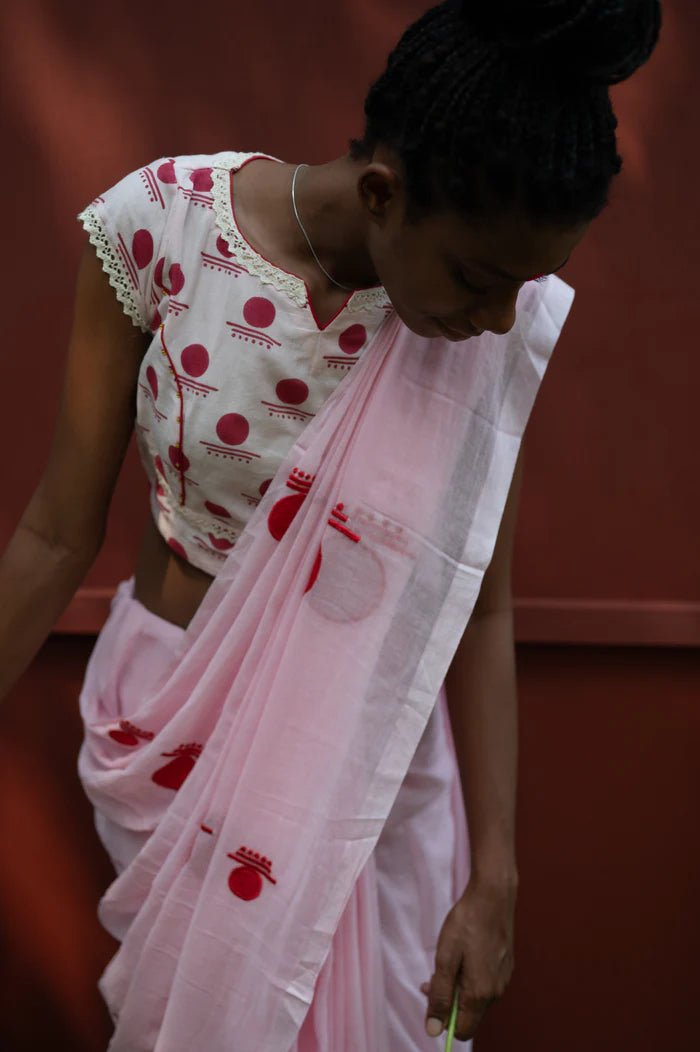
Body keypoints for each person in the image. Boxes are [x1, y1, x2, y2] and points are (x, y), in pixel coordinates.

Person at [0, 1, 660, 1048]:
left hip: (364, 758)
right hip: (176, 730)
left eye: (519, 291)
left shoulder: (481, 333)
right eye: (481, 281)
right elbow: (51, 534)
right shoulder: (162, 228)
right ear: (383, 193)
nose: (496, 322)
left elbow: (476, 601)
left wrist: (495, 875)